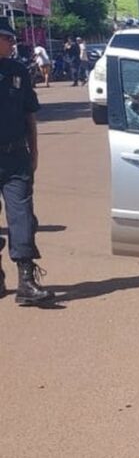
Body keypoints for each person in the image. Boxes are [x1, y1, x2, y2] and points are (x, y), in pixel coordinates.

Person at [0, 17, 54, 305]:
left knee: (22, 217)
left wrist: (34, 152)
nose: (12, 43)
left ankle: (26, 281)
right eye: (7, 39)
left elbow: (29, 115)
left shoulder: (18, 71)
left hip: (15, 157)